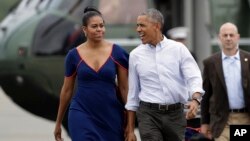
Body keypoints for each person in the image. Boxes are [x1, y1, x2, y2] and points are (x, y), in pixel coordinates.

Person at [125, 8, 204, 141]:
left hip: (176, 115)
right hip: (148, 114)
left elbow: (193, 76)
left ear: (157, 26)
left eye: (142, 25)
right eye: (137, 25)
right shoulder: (135, 55)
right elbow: (132, 95)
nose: (138, 29)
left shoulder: (178, 49)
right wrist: (130, 130)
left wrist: (196, 100)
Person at [54, 7, 129, 141]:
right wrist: (58, 122)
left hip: (110, 113)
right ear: (84, 30)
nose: (99, 29)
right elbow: (66, 90)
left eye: (101, 25)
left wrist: (130, 122)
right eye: (94, 26)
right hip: (81, 111)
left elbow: (124, 89)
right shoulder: (73, 56)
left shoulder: (117, 53)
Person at [200, 22, 250, 141]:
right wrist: (204, 122)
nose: (228, 38)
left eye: (231, 35)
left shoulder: (248, 60)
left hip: (244, 119)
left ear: (237, 37)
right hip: (222, 120)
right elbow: (206, 95)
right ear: (219, 38)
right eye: (225, 35)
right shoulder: (210, 63)